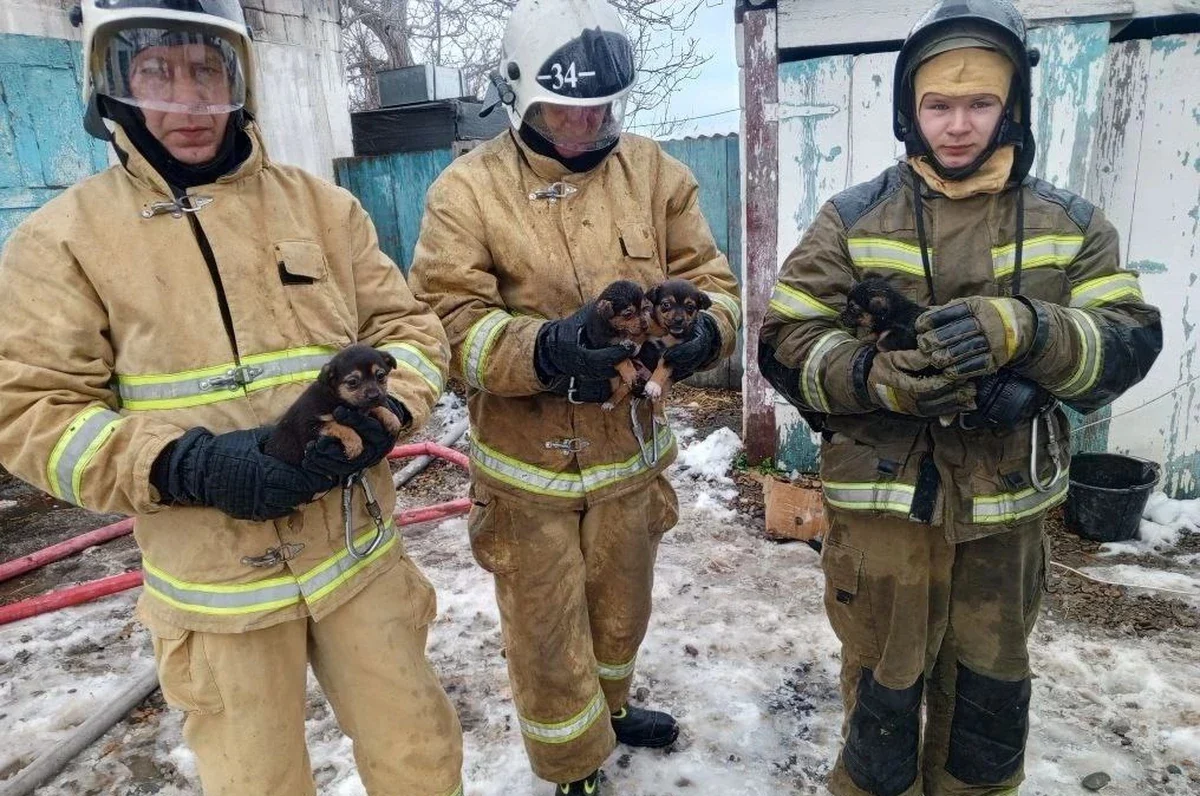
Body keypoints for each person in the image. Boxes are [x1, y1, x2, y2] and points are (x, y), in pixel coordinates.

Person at [0, 2, 463, 794]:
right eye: (156, 72)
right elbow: (30, 413)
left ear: (238, 81)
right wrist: (185, 465)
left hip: (357, 554)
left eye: (206, 72)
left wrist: (391, 413)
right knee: (257, 782)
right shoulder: (60, 241)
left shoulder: (322, 208)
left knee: (420, 758)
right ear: (112, 86)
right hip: (216, 586)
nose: (186, 101)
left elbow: (409, 326)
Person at [758, 1, 1161, 794]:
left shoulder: (1070, 225)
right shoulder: (850, 219)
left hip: (1005, 520)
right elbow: (782, 343)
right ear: (910, 109)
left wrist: (1029, 330)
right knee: (881, 710)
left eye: (980, 104)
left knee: (989, 713)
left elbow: (1128, 344)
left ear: (1013, 106)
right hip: (885, 522)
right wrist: (874, 378)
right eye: (937, 105)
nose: (957, 125)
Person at [409, 0, 741, 792]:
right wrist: (548, 350)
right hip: (529, 477)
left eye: (601, 103)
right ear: (520, 93)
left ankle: (613, 707)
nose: (588, 120)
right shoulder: (467, 192)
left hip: (628, 462)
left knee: (620, 612)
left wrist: (705, 335)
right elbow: (448, 322)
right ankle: (571, 763)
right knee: (547, 633)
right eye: (567, 104)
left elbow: (713, 283)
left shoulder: (658, 174)